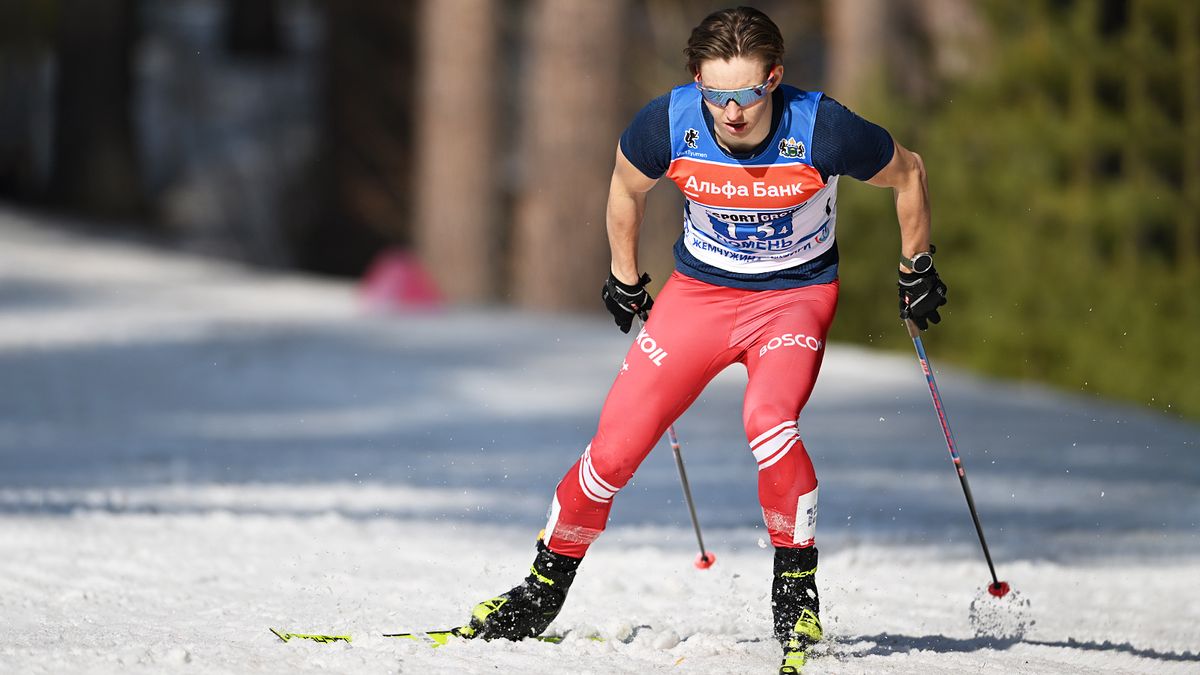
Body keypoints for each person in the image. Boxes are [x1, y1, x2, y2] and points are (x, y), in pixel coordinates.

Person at [458, 6, 947, 673]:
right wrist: (623, 275)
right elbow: (626, 189)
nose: (733, 112)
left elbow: (909, 172)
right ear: (697, 80)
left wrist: (916, 266)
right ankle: (542, 588)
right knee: (611, 452)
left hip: (792, 298)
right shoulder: (668, 122)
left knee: (769, 423)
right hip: (700, 297)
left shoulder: (823, 127)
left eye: (747, 94)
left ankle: (795, 595)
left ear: (774, 78)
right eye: (717, 95)